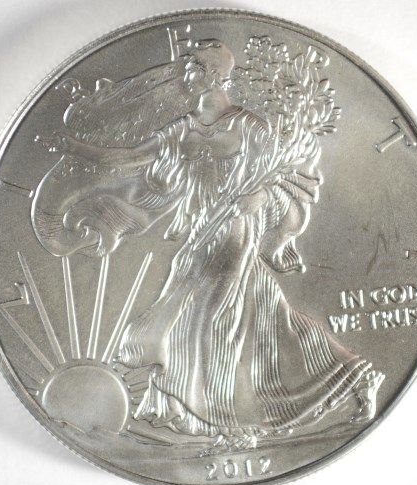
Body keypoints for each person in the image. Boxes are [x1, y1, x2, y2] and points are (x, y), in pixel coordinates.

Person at [37, 39, 384, 450]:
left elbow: (288, 172)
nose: (183, 73)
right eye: (186, 65)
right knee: (267, 316)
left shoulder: (249, 126)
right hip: (202, 232)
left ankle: (229, 425)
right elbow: (129, 158)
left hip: (236, 229)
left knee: (211, 320)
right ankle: (356, 377)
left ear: (213, 75)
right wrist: (73, 147)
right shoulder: (183, 128)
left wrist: (260, 196)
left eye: (192, 66)